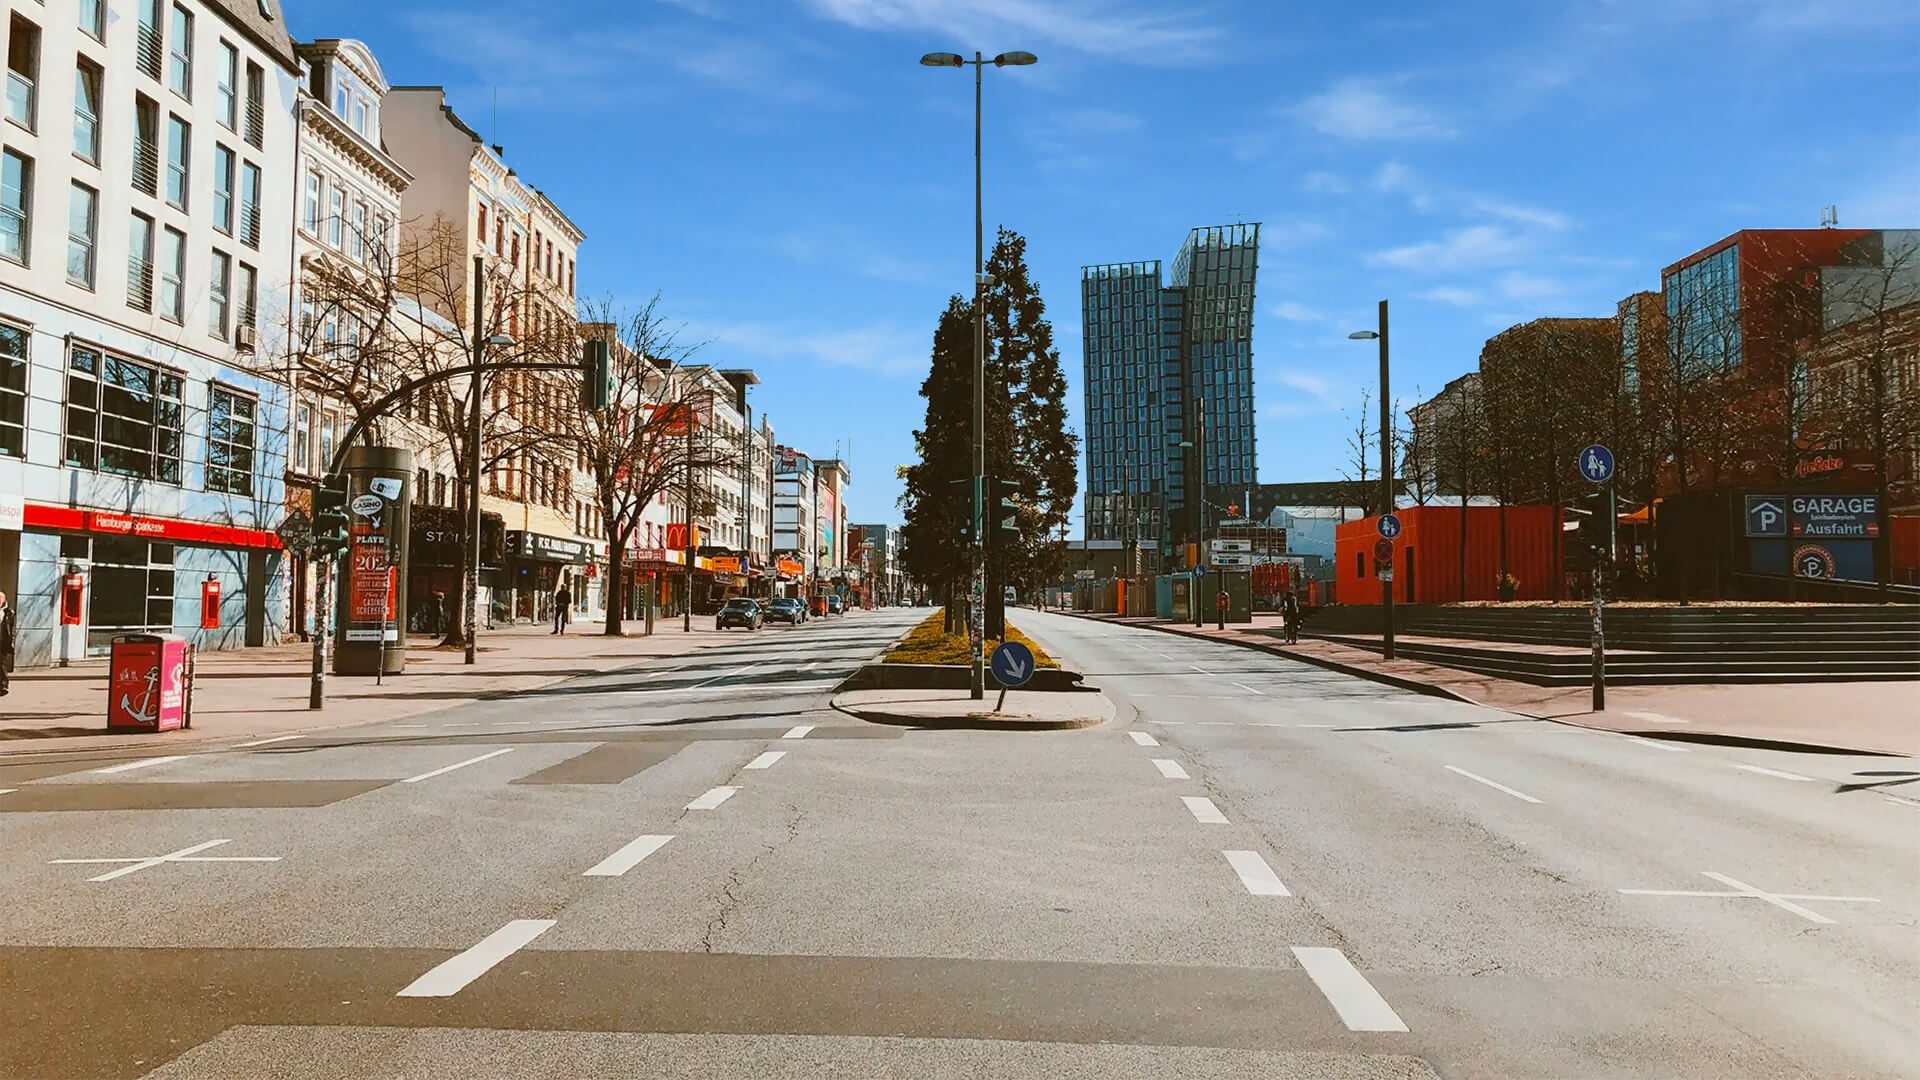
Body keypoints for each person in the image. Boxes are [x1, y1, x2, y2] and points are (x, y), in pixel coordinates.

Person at [0, 591, 14, 694]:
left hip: (2, 641)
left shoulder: (9, 613)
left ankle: (3, 685)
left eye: (1, 598)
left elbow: (12, 628)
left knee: (1, 664)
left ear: (4, 600)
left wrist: (11, 641)